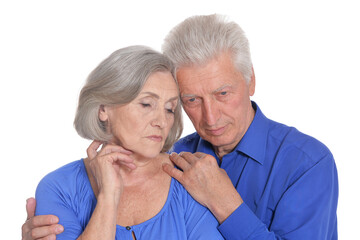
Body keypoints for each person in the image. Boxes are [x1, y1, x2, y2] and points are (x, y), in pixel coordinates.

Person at [22, 14, 338, 239]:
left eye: (222, 93)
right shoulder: (173, 158)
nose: (210, 118)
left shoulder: (307, 163)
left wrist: (225, 202)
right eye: (190, 100)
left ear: (251, 80)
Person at [22, 45, 224, 240]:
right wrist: (109, 195)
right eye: (146, 104)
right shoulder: (59, 187)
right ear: (103, 109)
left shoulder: (188, 177)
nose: (162, 122)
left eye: (170, 108)